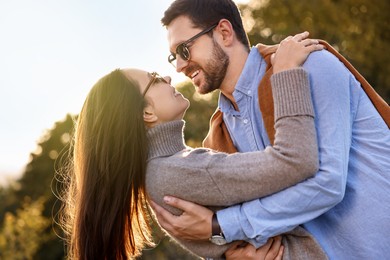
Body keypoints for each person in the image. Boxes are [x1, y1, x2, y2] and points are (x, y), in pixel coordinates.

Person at [152, 0, 390, 259]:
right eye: (173, 56)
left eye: (184, 50)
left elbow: (328, 183)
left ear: (224, 32)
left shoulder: (309, 66)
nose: (179, 67)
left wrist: (219, 226)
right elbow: (235, 242)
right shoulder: (217, 139)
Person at [59, 35, 325, 259]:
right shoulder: (175, 171)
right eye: (154, 78)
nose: (168, 77)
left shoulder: (168, 170)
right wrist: (287, 74)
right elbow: (296, 161)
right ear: (147, 113)